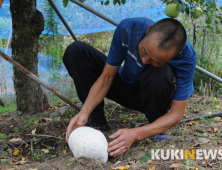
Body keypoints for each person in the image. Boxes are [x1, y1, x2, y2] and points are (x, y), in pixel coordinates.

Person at [63, 17, 197, 157]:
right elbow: (107, 77)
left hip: (151, 95)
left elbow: (176, 114)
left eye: (155, 61)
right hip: (123, 86)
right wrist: (84, 112)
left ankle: (155, 127)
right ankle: (97, 121)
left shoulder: (186, 58)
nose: (144, 60)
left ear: (177, 54)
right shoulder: (129, 28)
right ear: (148, 30)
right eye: (144, 50)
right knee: (77, 51)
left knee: (160, 73)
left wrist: (136, 133)